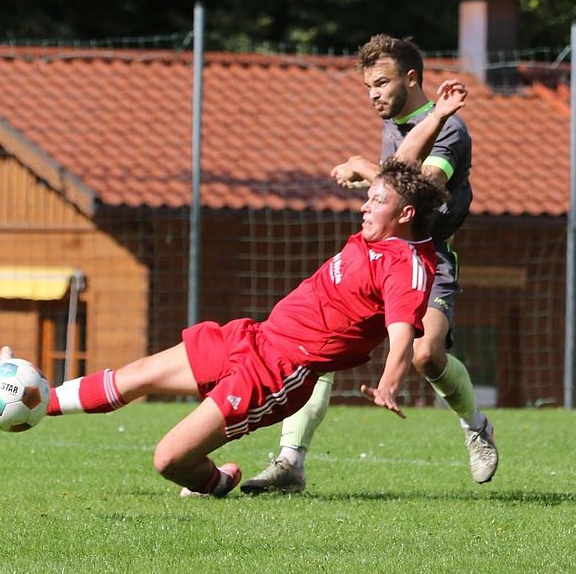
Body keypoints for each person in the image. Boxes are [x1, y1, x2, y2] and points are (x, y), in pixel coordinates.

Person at [26, 158, 448, 497]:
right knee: (136, 375)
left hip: (278, 373)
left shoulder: (405, 266)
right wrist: (408, 137)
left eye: (375, 202)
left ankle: (218, 481)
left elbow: (401, 336)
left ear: (404, 214)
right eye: (368, 198)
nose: (364, 206)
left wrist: (390, 384)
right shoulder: (384, 229)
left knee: (168, 460)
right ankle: (37, 403)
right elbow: (405, 186)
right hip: (253, 336)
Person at [240, 34, 498, 495]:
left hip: (428, 258)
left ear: (412, 78)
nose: (373, 94)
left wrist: (365, 168)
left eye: (381, 83)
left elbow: (419, 188)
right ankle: (289, 462)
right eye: (368, 87)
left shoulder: (450, 130)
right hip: (377, 259)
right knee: (316, 349)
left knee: (426, 355)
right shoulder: (396, 122)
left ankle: (476, 426)